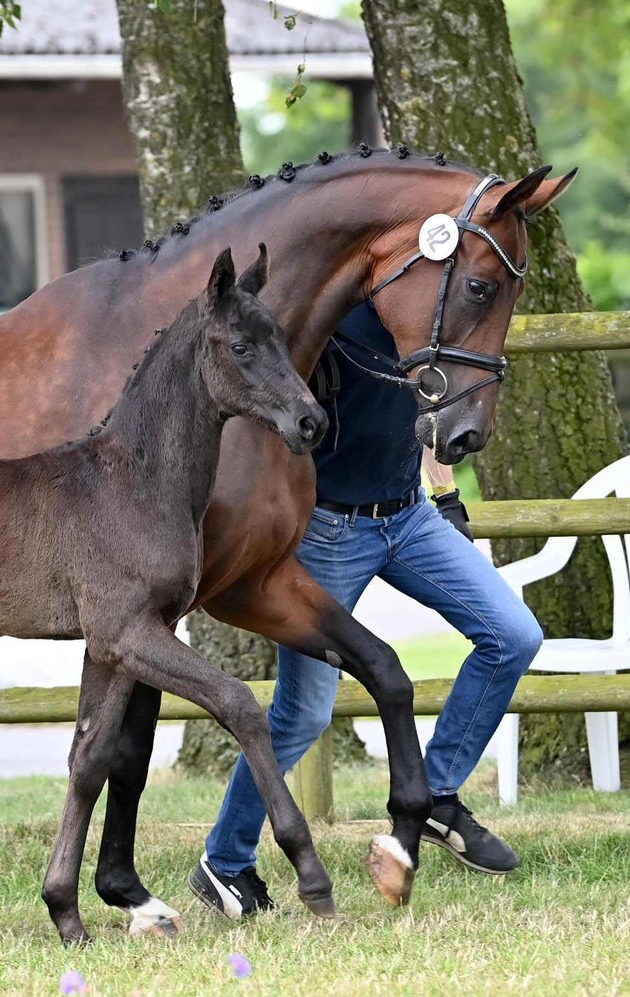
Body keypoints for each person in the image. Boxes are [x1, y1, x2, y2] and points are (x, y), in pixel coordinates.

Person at [189, 302, 543, 919]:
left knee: (513, 635)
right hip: (329, 532)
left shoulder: (424, 309)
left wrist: (446, 495)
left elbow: (433, 403)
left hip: (410, 517)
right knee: (303, 713)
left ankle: (436, 794)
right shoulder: (325, 312)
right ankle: (225, 860)